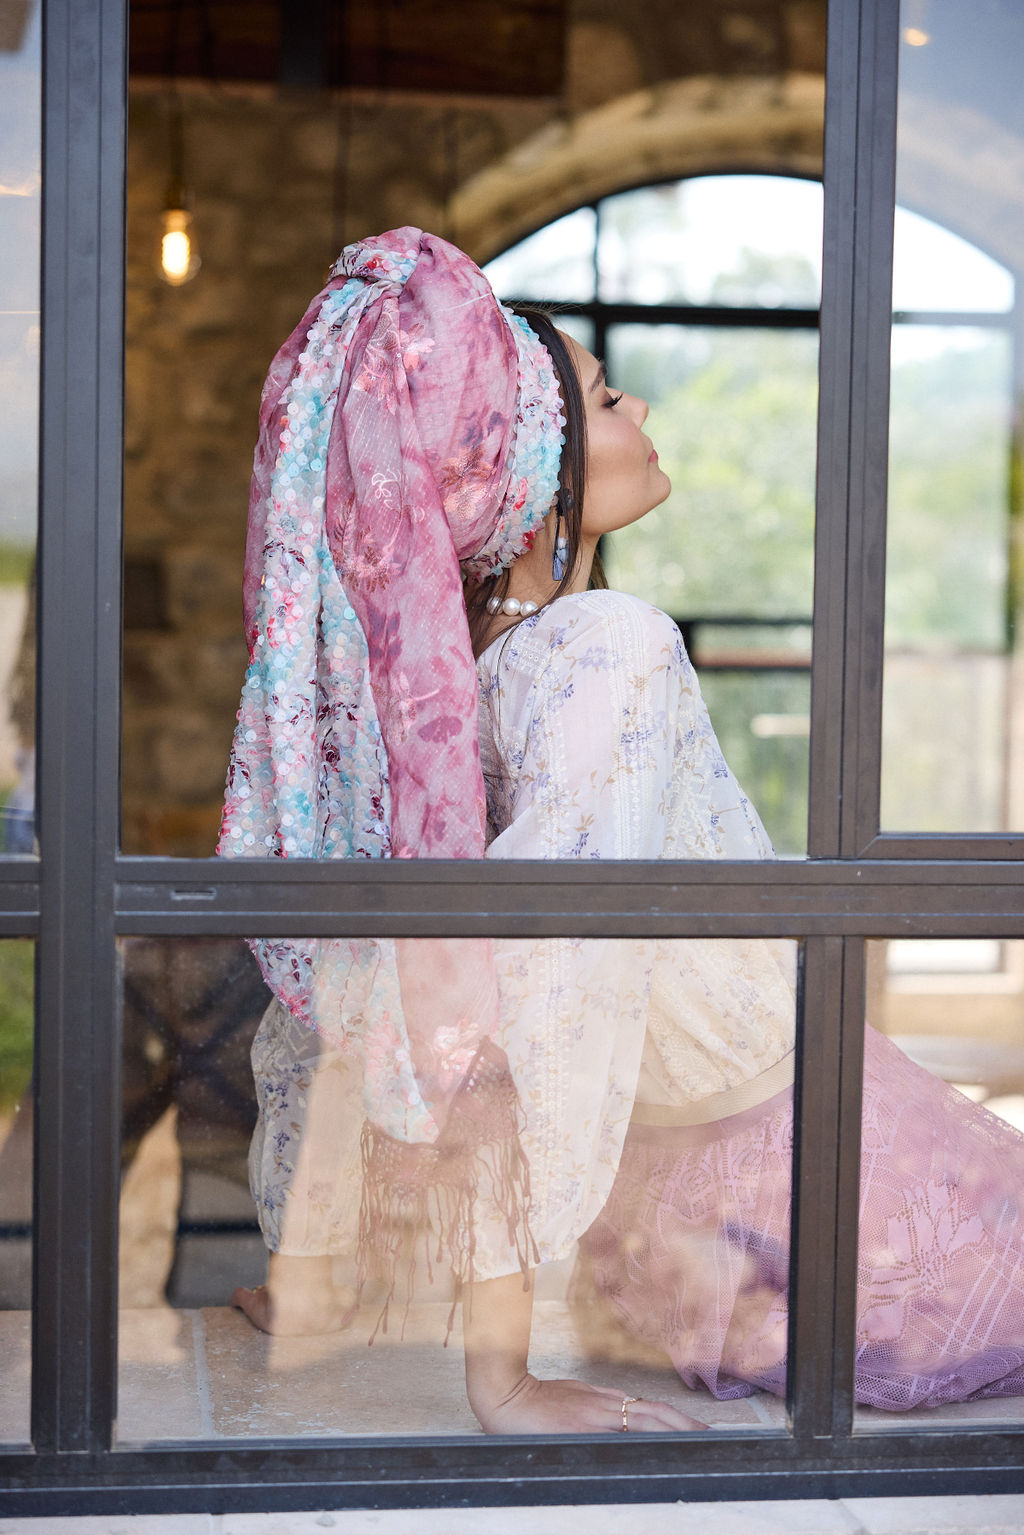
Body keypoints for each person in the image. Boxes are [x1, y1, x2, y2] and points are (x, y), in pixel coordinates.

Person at [220, 227, 1024, 1434]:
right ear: (523, 462)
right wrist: (501, 1375)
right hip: (825, 1197)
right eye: (601, 396)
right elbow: (537, 973)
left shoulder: (442, 691)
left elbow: (346, 998)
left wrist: (311, 1265)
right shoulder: (607, 644)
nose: (637, 405)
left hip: (675, 1238)